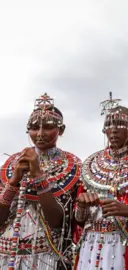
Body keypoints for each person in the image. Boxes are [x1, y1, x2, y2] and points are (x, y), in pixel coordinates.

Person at [74, 93, 128, 269]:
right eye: (108, 126)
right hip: (91, 244)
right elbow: (79, 220)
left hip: (124, 244)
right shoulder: (90, 165)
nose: (113, 130)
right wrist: (82, 206)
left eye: (120, 125)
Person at [0, 93, 81, 269]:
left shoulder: (72, 167)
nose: (40, 133)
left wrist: (38, 175)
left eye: (48, 127)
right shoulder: (10, 165)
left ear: (62, 130)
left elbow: (57, 222)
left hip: (48, 255)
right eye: (34, 127)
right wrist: (13, 181)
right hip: (6, 255)